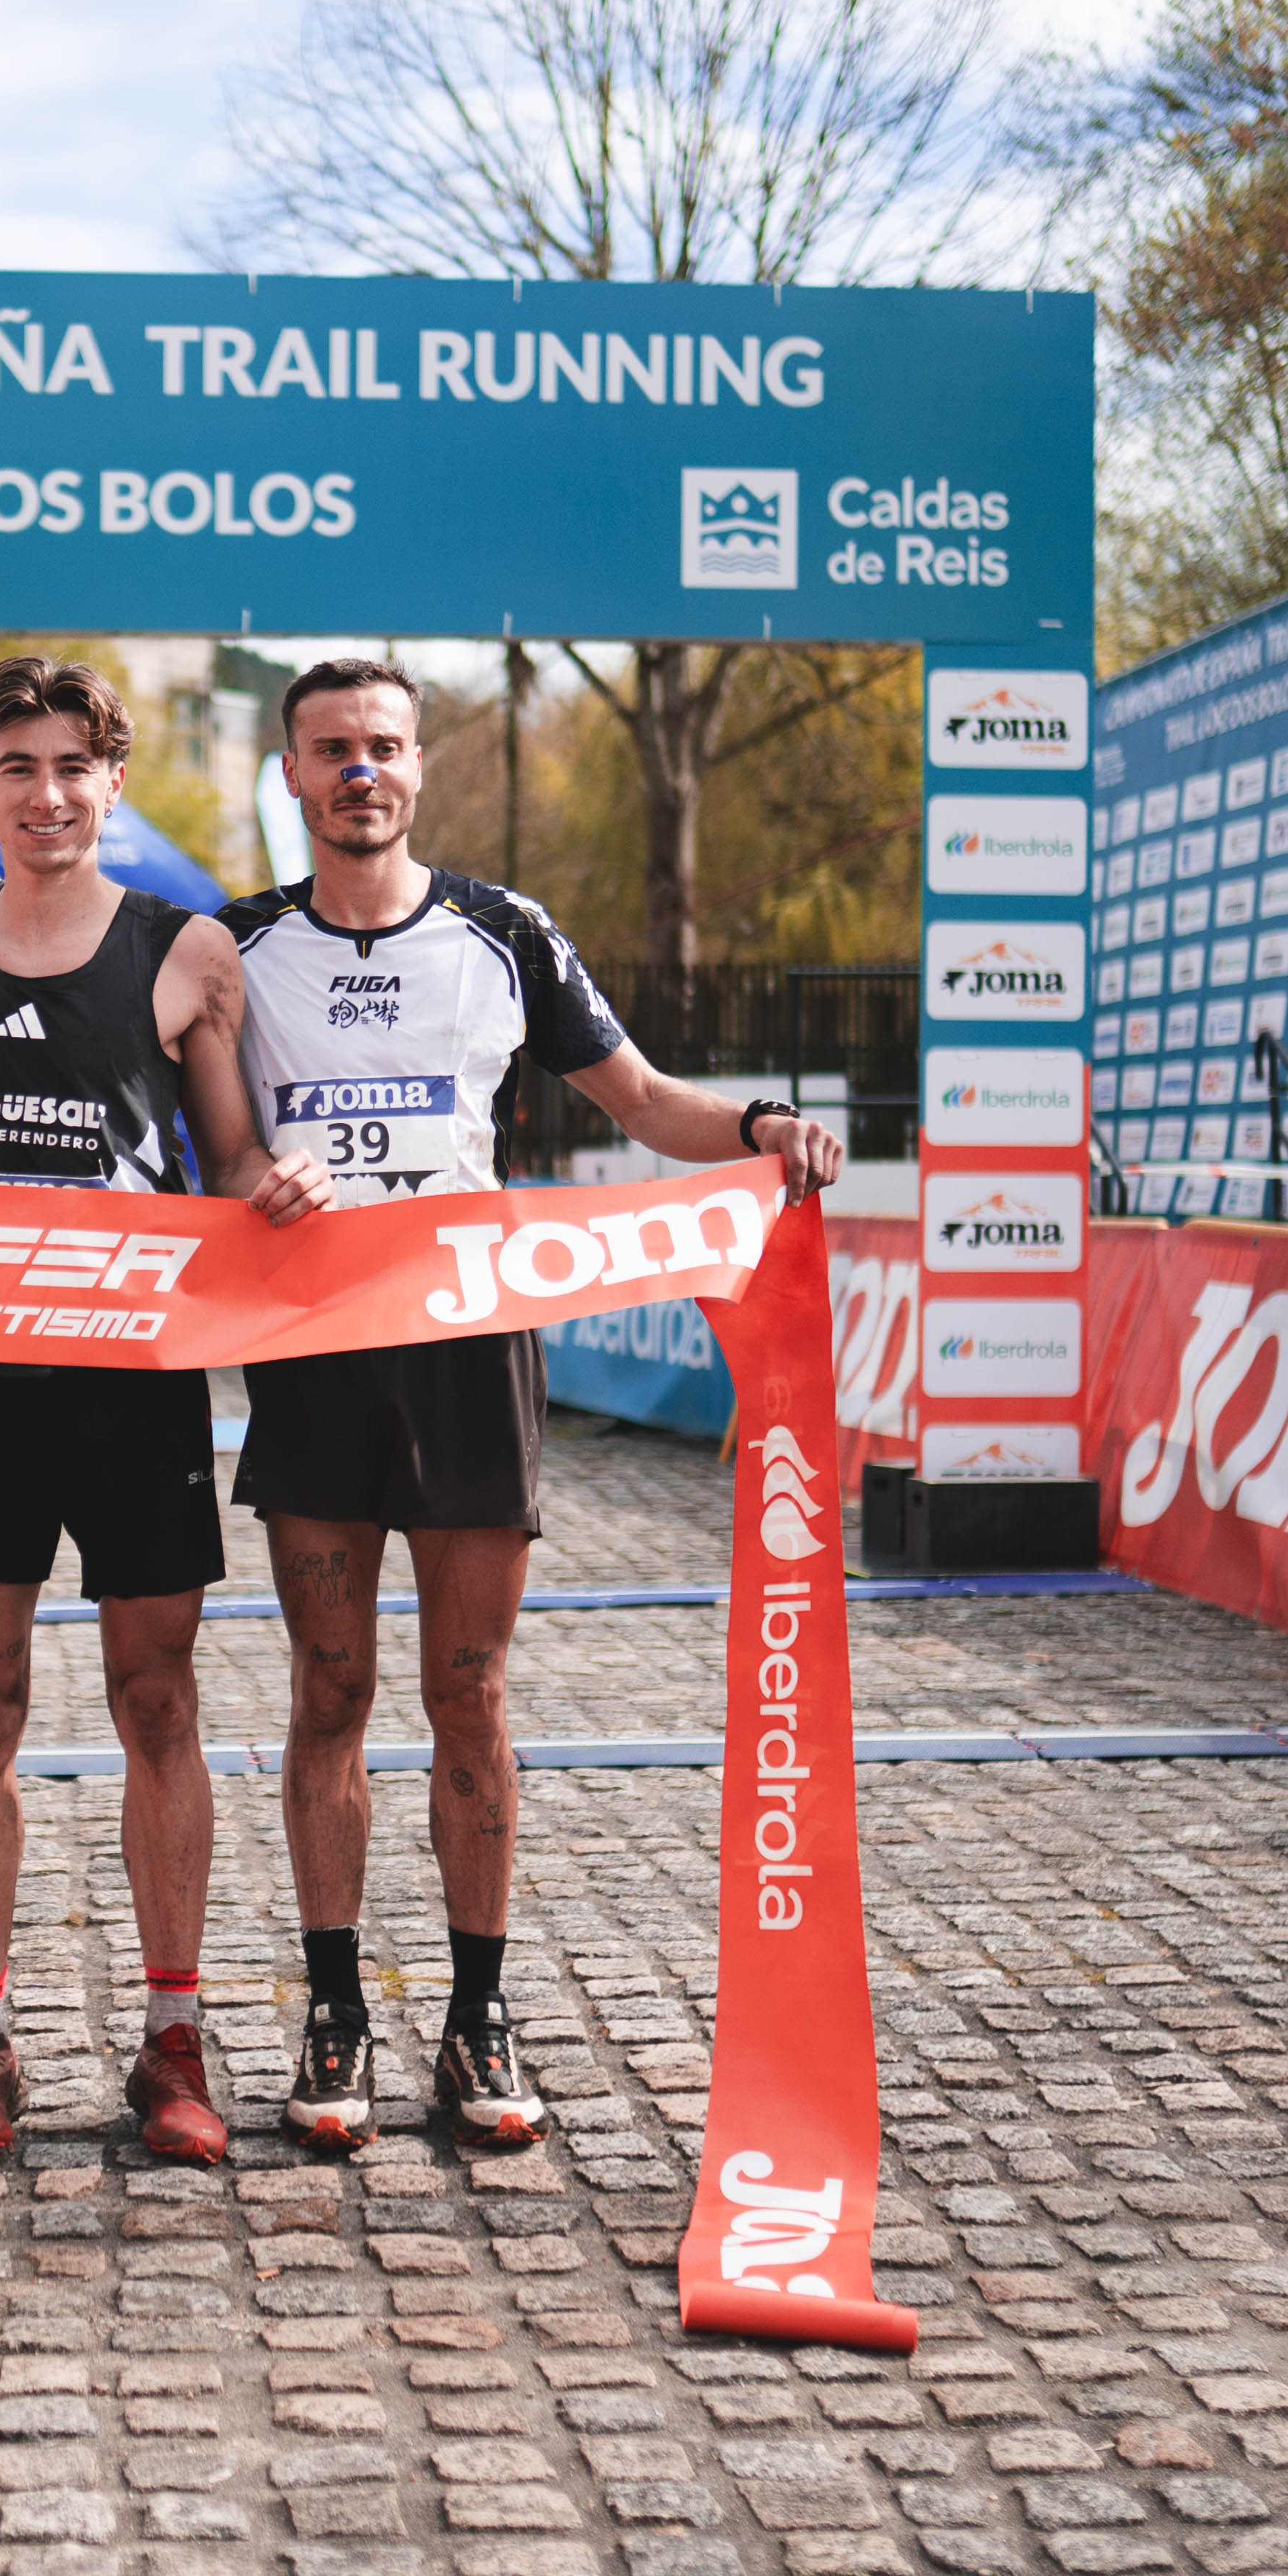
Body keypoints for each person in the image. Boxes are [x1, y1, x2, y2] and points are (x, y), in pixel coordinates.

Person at [221, 659, 845, 2151]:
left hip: (469, 1343)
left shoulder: (504, 931)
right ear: (291, 773)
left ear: (418, 765)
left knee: (471, 1693)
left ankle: (476, 2013)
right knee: (328, 1690)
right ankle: (334, 2012)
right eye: (330, 749)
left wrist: (762, 1124)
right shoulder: (228, 944)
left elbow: (644, 1100)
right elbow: (143, 1065)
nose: (358, 770)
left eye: (382, 745)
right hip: (313, 1340)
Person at [0, 655, 326, 2166]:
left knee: (156, 1702)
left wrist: (275, 1183)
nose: (46, 794)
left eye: (73, 766)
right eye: (18, 767)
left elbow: (230, 1155)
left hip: (136, 1390)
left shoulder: (186, 950)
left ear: (114, 780)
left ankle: (173, 2036)